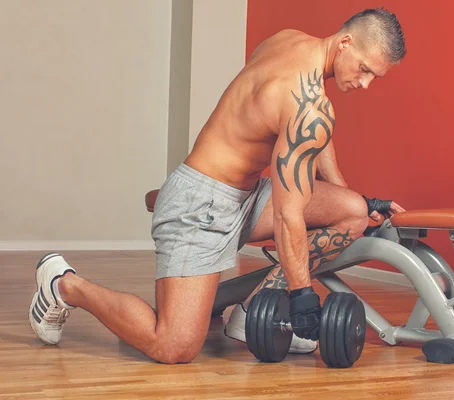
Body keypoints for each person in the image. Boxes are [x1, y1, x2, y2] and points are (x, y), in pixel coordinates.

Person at [29, 7, 407, 363]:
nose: (365, 83)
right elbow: (287, 211)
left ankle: (250, 312)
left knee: (352, 212)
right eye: (364, 69)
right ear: (344, 43)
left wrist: (356, 197)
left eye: (375, 76)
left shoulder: (288, 41)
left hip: (243, 197)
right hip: (198, 204)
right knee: (174, 344)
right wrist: (301, 295)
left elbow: (306, 132)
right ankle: (65, 284)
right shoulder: (311, 109)